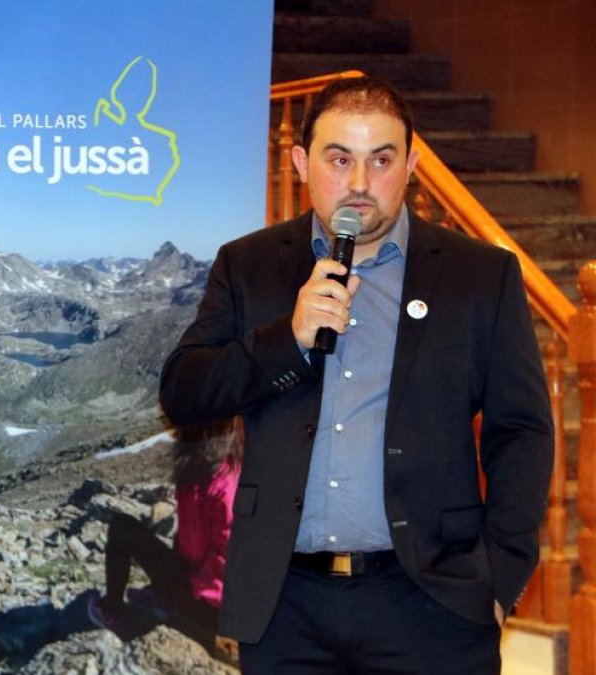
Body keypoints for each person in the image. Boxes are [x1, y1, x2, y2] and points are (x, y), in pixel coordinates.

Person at [159, 76, 553, 673]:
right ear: (300, 162)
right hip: (286, 605)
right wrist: (286, 339)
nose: (361, 184)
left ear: (412, 164)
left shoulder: (480, 276)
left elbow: (521, 431)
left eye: (382, 160)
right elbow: (184, 392)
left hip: (431, 602)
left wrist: (501, 577)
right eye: (340, 159)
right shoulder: (249, 264)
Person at [89, 419, 241, 653]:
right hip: (210, 593)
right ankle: (162, 596)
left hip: (211, 607)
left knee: (122, 528)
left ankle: (114, 612)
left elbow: (230, 557)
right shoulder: (219, 465)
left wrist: (193, 589)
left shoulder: (218, 481)